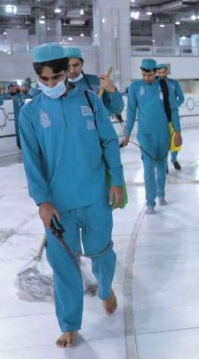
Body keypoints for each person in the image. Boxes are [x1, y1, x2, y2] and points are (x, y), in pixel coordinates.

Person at [18, 44, 124, 348]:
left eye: (57, 77)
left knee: (102, 253)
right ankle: (69, 323)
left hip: (95, 197)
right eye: (45, 79)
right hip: (58, 205)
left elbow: (109, 142)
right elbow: (32, 160)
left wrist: (115, 180)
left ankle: (105, 289)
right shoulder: (31, 112)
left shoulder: (90, 101)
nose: (51, 84)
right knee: (63, 266)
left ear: (68, 72)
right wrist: (42, 201)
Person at [120, 58, 181, 214]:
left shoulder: (165, 86)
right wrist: (127, 134)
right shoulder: (135, 87)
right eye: (143, 75)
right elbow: (131, 112)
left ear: (155, 72)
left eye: (149, 75)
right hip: (145, 135)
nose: (146, 78)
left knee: (161, 166)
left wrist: (178, 131)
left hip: (163, 133)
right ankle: (150, 202)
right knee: (148, 167)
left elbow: (174, 110)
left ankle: (161, 194)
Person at [64, 47, 123, 116]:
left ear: (82, 63)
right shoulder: (57, 86)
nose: (72, 70)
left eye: (76, 65)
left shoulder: (98, 82)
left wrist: (113, 91)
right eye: (68, 66)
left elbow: (117, 109)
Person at [157, 63, 186, 171]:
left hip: (172, 118)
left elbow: (181, 98)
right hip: (160, 119)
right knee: (163, 143)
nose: (161, 74)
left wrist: (173, 106)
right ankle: (164, 164)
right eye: (159, 72)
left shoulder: (174, 84)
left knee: (175, 141)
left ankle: (174, 159)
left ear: (167, 72)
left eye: (163, 72)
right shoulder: (154, 85)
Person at [9, 83, 26, 149]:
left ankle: (23, 146)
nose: (16, 88)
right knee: (18, 133)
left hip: (23, 117)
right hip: (15, 118)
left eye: (17, 87)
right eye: (14, 87)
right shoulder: (9, 97)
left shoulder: (21, 96)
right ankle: (20, 146)